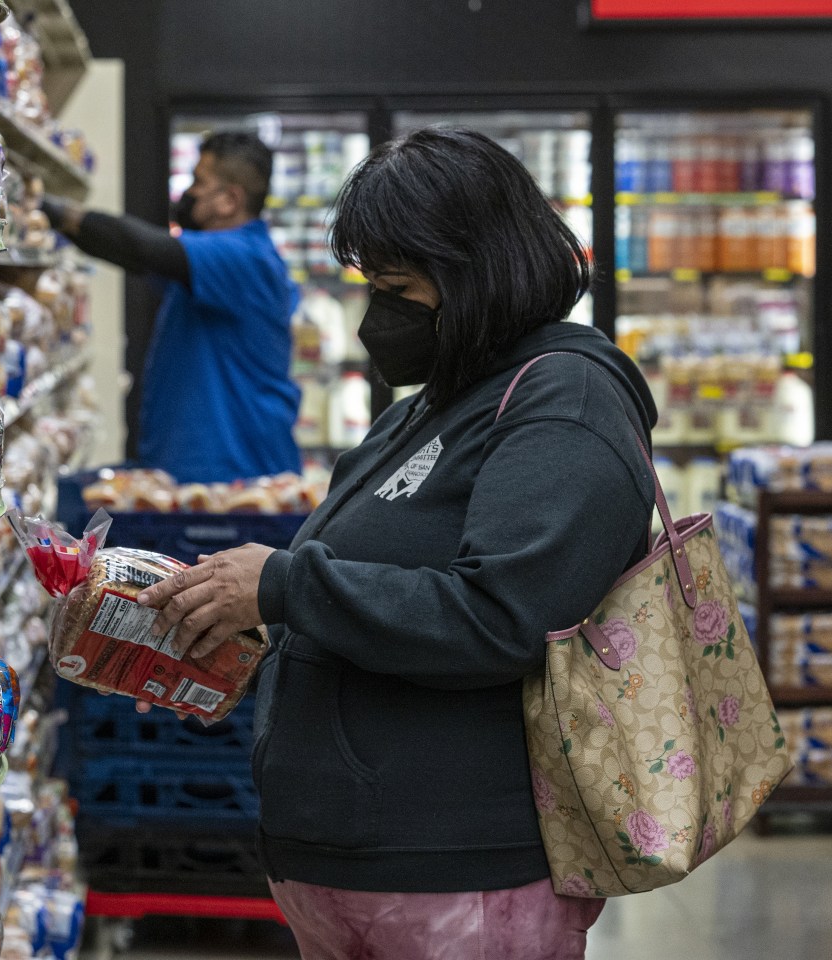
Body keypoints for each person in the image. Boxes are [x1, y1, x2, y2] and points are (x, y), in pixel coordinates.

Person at [136, 128, 658, 959]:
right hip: (359, 865)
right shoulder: (440, 399)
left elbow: (504, 616)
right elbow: (374, 586)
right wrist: (241, 643)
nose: (377, 311)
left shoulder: (566, 402)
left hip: (461, 869)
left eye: (396, 284)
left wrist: (284, 587)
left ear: (475, 274)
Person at [41, 132, 301, 484]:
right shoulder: (208, 262)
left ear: (229, 199)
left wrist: (56, 211)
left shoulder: (247, 257)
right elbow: (130, 255)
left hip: (238, 475)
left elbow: (146, 249)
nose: (188, 193)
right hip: (198, 471)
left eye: (199, 182)